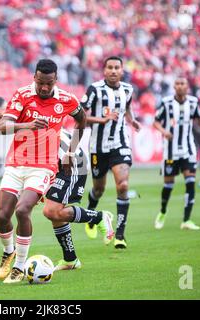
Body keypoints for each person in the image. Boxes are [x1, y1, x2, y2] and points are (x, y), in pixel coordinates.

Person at [0, 59, 111, 284]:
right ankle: (9, 251)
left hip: (44, 165)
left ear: (55, 80)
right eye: (40, 83)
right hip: (16, 163)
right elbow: (2, 127)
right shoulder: (22, 95)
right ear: (34, 78)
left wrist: (70, 152)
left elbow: (82, 120)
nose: (44, 88)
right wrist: (26, 125)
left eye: (48, 83)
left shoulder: (67, 99)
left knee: (23, 209)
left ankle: (18, 267)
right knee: (2, 216)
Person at [81, 56, 141, 249]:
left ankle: (120, 235)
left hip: (120, 144)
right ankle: (91, 215)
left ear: (122, 71)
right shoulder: (94, 89)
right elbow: (80, 116)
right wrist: (102, 120)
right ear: (104, 70)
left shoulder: (128, 89)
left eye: (117, 68)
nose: (113, 71)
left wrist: (132, 120)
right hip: (98, 148)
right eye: (110, 67)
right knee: (98, 189)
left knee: (122, 186)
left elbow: (127, 108)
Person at [153, 77, 200, 230]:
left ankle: (186, 220)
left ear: (187, 87)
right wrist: (164, 131)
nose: (180, 86)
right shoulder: (166, 103)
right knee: (168, 184)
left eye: (183, 84)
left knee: (190, 182)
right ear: (174, 86)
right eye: (178, 84)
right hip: (170, 151)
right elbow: (155, 121)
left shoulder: (193, 103)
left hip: (188, 150)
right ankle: (162, 211)